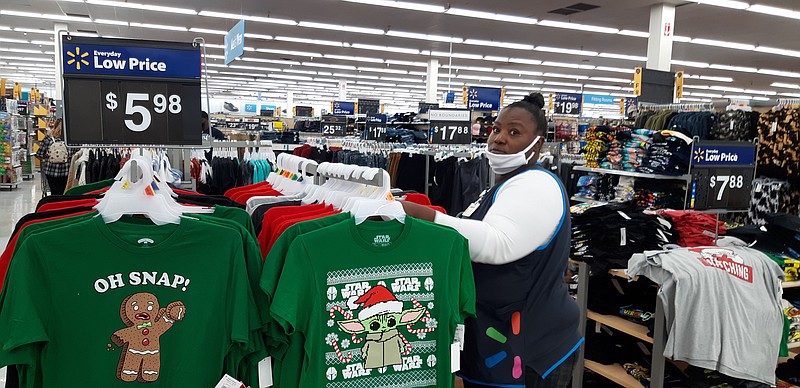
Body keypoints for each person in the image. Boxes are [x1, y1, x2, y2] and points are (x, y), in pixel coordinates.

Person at [400, 93, 581, 388]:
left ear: (538, 143)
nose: (498, 139)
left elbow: (497, 244)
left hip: (529, 348)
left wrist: (423, 216)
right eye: (496, 129)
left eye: (514, 132)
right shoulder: (502, 186)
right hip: (495, 341)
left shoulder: (537, 184)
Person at [35, 118, 72, 196]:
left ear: (54, 126)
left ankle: (54, 205)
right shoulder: (69, 141)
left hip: (51, 171)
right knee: (64, 193)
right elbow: (74, 153)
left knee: (54, 193)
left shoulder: (48, 138)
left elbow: (39, 154)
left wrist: (48, 157)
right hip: (66, 172)